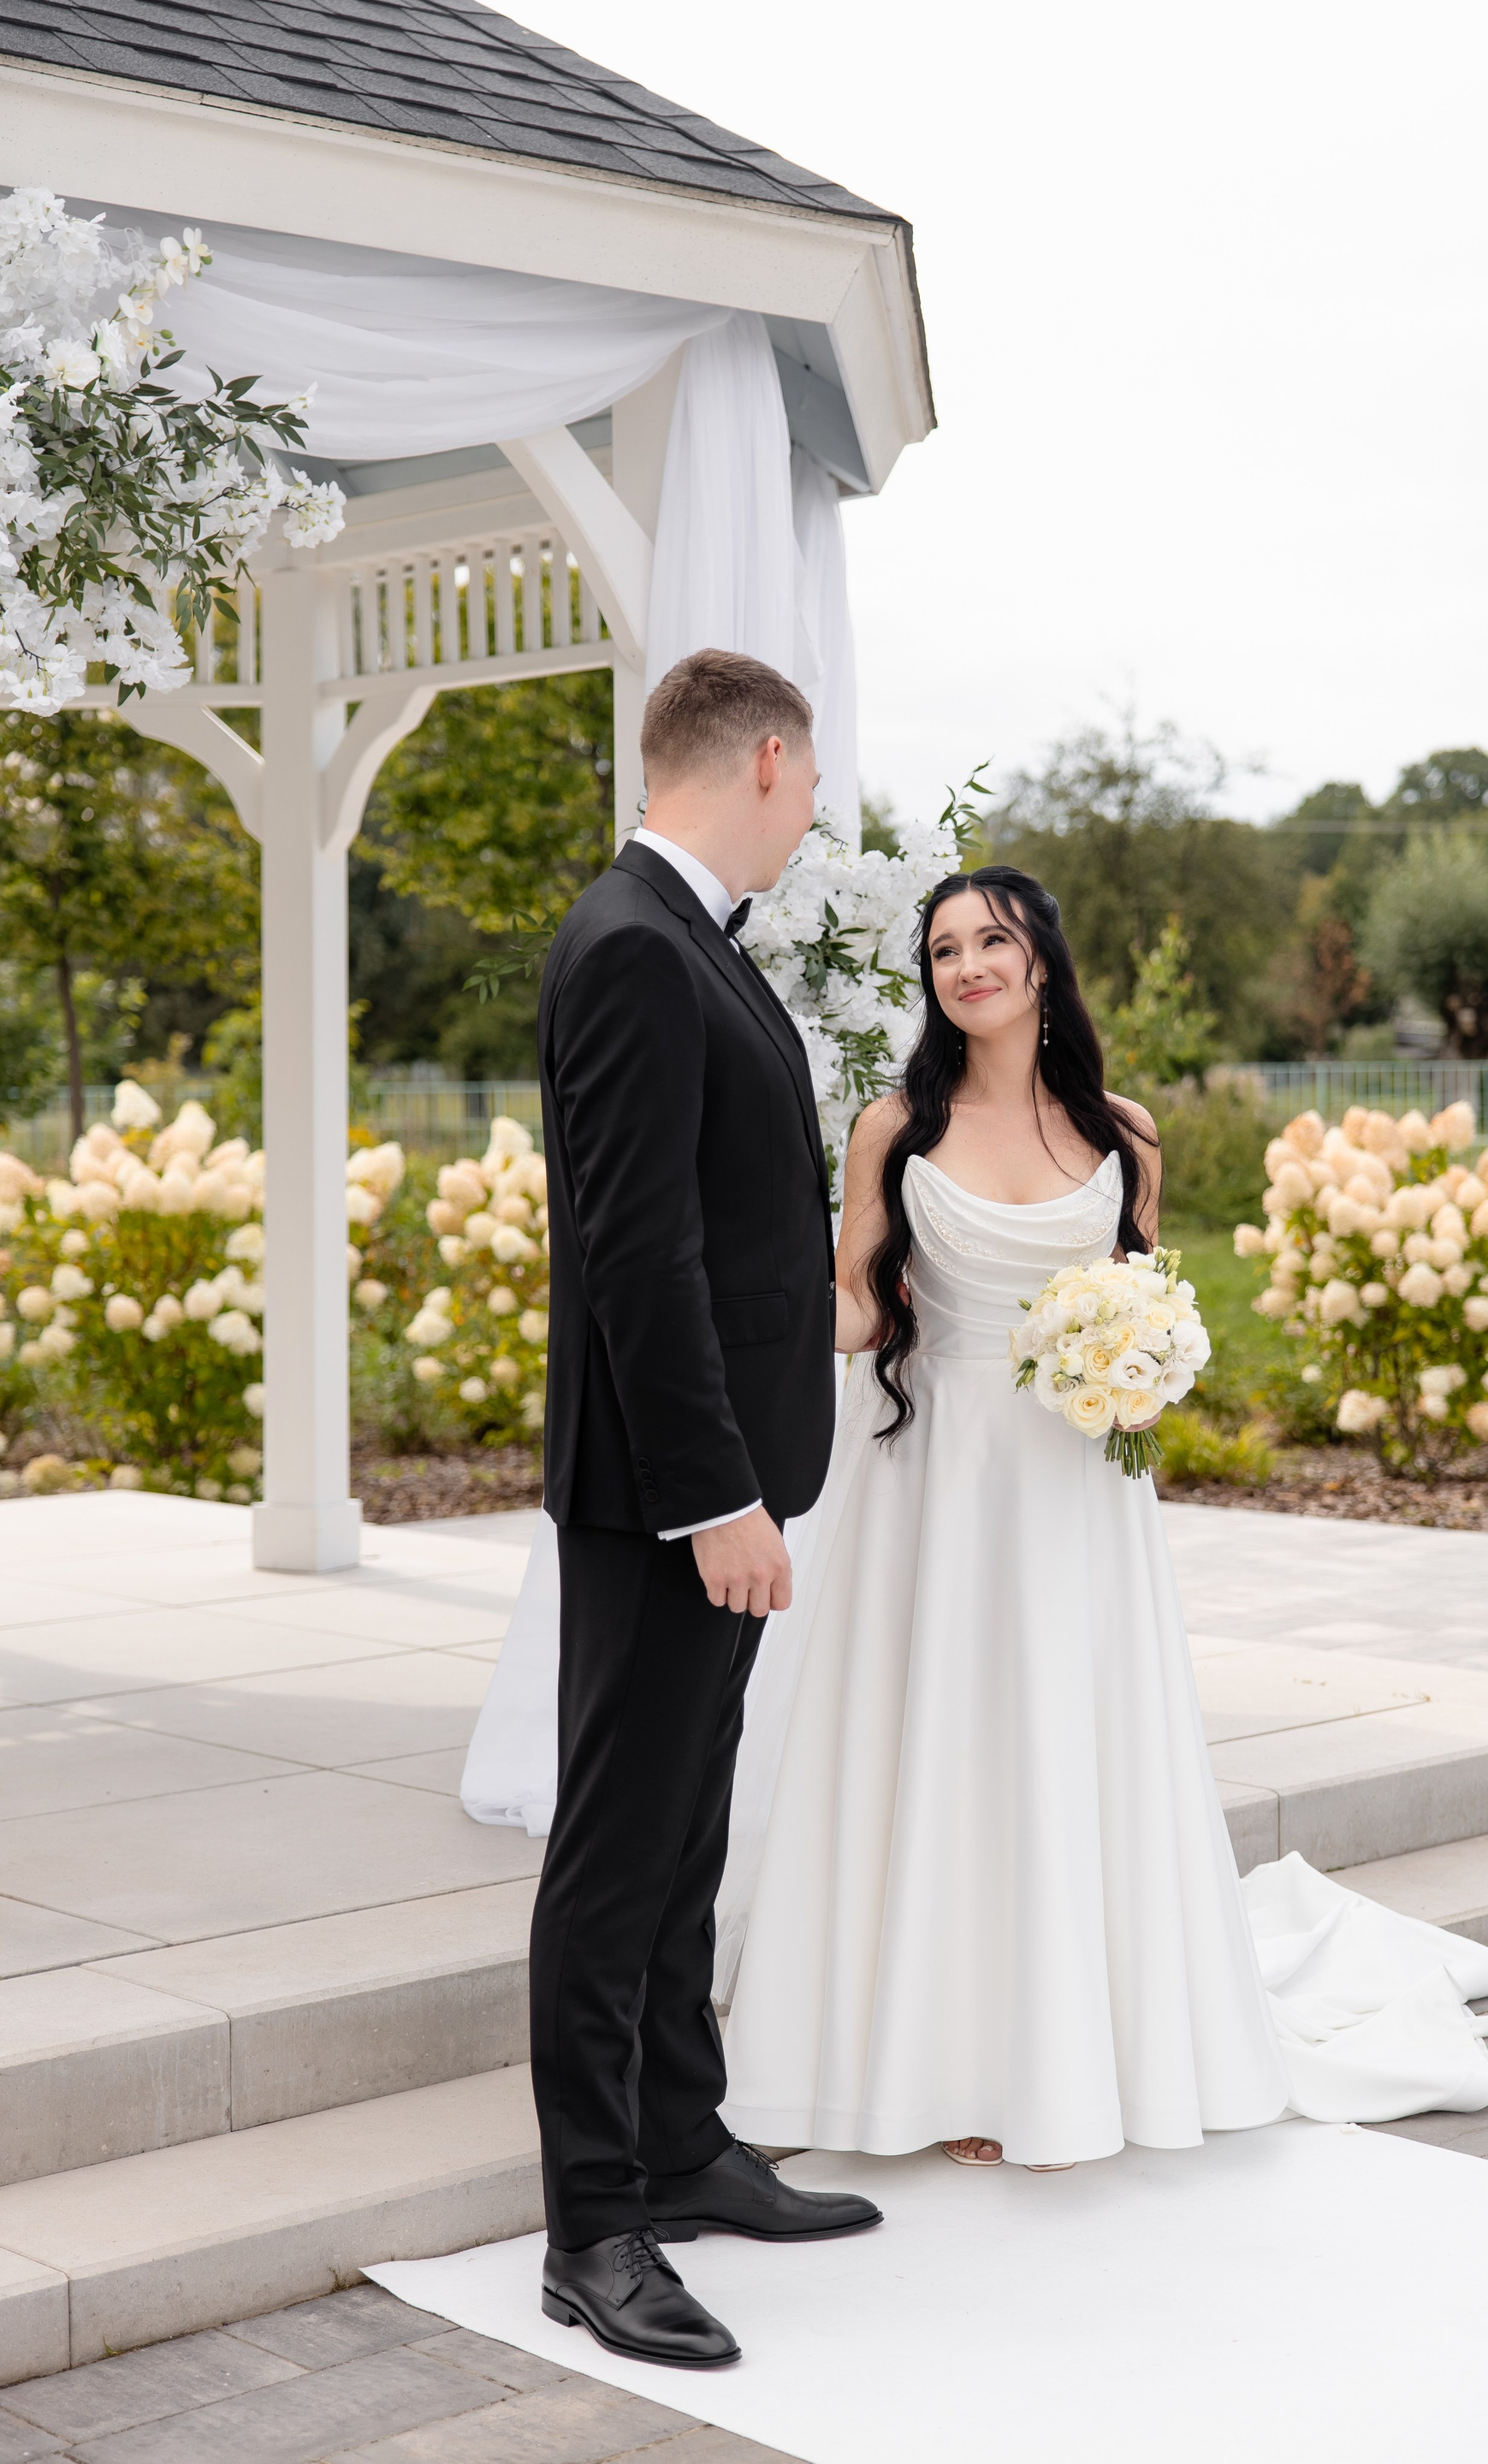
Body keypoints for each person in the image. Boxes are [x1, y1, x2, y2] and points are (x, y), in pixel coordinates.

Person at [715, 865, 1488, 2169]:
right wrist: (766, 1289)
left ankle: (1075, 2052)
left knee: (1069, 1745)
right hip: (938, 1483)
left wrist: (1145, 1360)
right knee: (948, 1747)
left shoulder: (1123, 1133)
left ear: (1042, 961)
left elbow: (1144, 1300)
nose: (967, 965)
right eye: (944, 948)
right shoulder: (893, 1127)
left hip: (1081, 1488)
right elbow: (854, 1310)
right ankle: (946, 2066)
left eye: (991, 940)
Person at [529, 649, 881, 2375]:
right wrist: (716, 1497)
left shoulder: (689, 942)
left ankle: (680, 2140)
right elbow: (639, 1255)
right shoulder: (631, 945)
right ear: (761, 760)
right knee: (617, 1855)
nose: (810, 816)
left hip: (715, 1482)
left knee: (685, 1836)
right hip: (668, 1497)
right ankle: (593, 2225)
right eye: (807, 785)